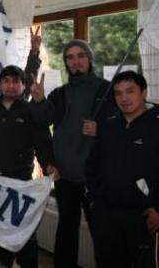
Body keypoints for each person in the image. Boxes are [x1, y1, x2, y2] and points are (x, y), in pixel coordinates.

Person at [29, 39, 116, 268]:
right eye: (70, 57)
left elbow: (122, 127)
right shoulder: (60, 93)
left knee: (102, 234)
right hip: (65, 174)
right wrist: (38, 100)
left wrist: (101, 129)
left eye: (80, 56)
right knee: (67, 230)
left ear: (89, 59)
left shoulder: (107, 90)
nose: (75, 61)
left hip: (96, 176)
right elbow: (44, 118)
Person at [0, 65, 59, 268]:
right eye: (6, 81)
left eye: (16, 82)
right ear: (0, 84)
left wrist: (49, 164)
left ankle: (28, 264)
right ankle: (2, 260)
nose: (10, 86)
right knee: (0, 227)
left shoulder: (31, 111)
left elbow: (42, 143)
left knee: (24, 228)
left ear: (23, 86)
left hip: (21, 182)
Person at [86, 71, 159, 268]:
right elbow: (93, 164)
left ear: (143, 93)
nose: (124, 98)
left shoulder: (155, 126)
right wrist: (94, 199)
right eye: (118, 93)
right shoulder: (109, 125)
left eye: (130, 91)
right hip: (105, 214)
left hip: (142, 216)